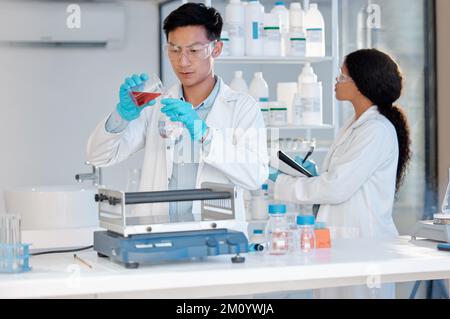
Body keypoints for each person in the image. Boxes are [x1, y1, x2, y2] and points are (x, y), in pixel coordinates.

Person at [86, 3, 268, 225]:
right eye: (174, 50)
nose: (182, 61)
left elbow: (256, 176)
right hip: (158, 233)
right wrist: (122, 115)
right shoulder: (156, 106)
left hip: (216, 236)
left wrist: (205, 135)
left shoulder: (242, 108)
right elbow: (98, 157)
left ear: (216, 49)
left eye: (193, 50)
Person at [269, 48, 412, 298]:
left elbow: (336, 188)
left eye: (343, 76)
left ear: (361, 84)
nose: (337, 81)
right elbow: (340, 180)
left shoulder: (376, 130)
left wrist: (280, 184)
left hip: (365, 249)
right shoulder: (355, 125)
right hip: (343, 244)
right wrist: (313, 177)